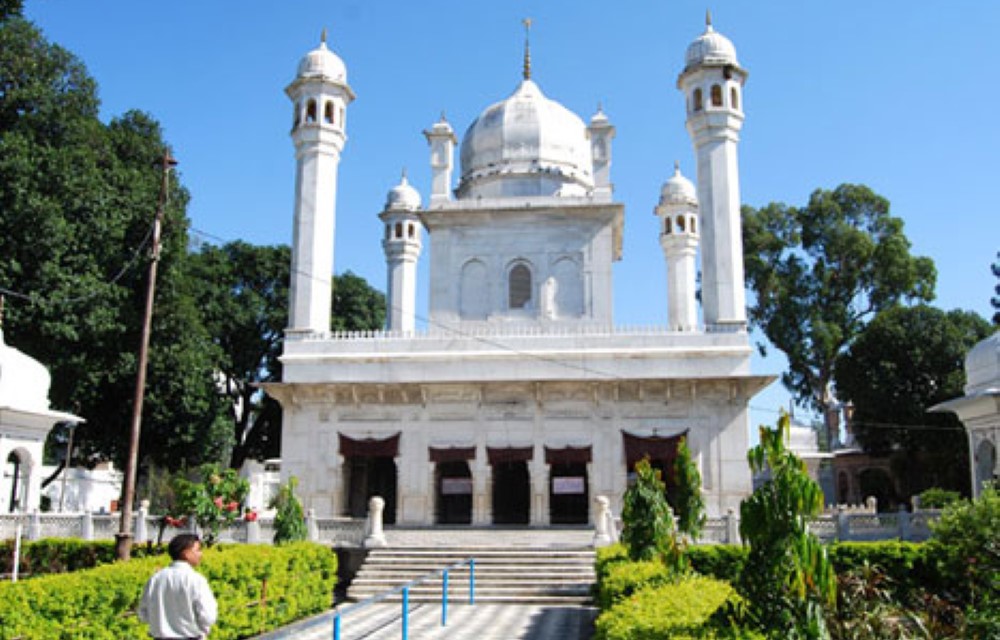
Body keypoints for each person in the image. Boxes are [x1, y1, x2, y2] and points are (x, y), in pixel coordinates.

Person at [138, 533, 218, 640]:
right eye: (198, 550)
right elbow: (208, 616)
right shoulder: (196, 580)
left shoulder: (155, 579)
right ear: (186, 553)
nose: (200, 554)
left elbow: (143, 614)